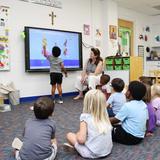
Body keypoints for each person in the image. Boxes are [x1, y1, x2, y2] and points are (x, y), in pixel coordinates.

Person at [66, 89, 113, 159]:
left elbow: (81, 140)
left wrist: (78, 135)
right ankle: (77, 148)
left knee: (69, 135)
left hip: (92, 153)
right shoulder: (105, 114)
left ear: (86, 103)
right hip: (107, 150)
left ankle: (77, 149)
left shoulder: (85, 117)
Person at [110, 81, 148, 145]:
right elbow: (147, 121)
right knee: (116, 126)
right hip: (140, 137)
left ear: (129, 93)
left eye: (127, 90)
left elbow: (115, 120)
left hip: (129, 137)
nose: (126, 92)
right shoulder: (144, 104)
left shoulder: (128, 105)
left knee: (106, 129)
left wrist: (102, 120)